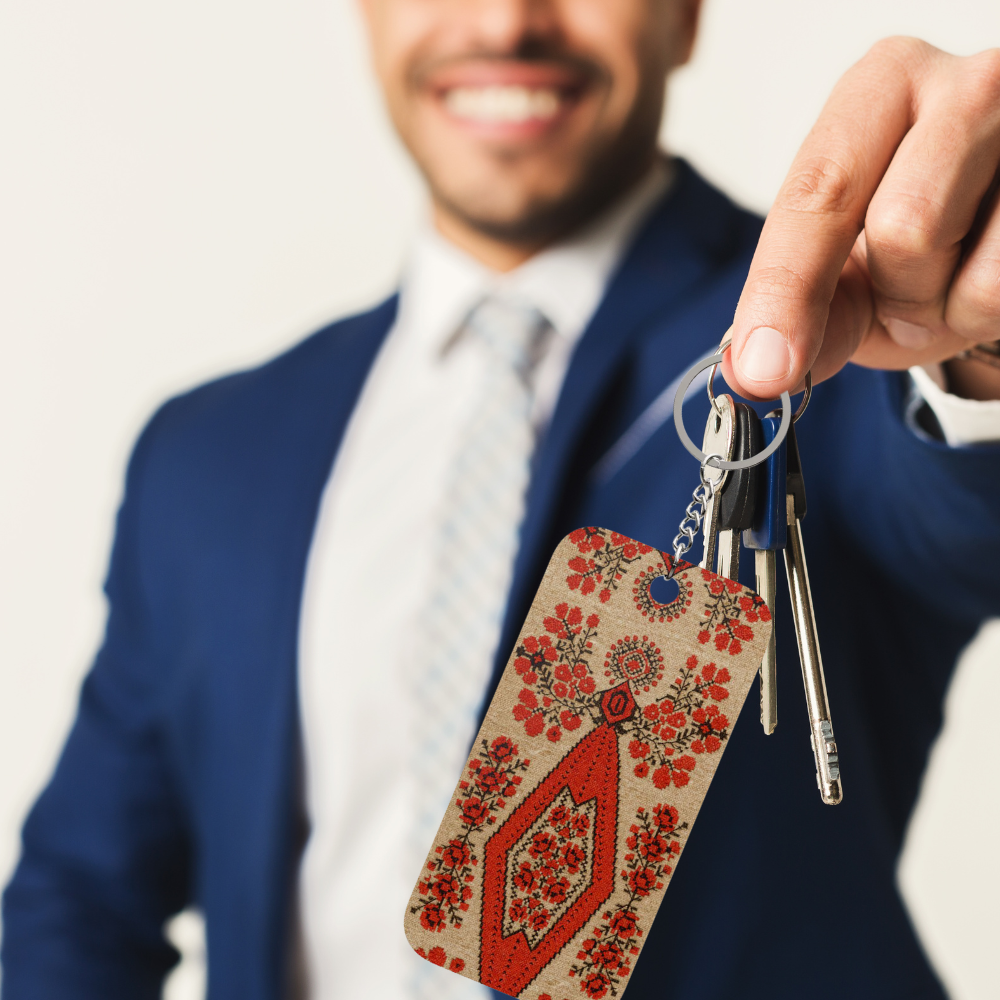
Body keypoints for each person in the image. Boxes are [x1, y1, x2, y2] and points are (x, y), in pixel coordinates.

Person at [4, 0, 1000, 997]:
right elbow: (82, 896)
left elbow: (950, 502)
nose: (503, 19)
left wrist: (973, 347)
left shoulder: (845, 338)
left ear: (685, 16)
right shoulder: (208, 450)